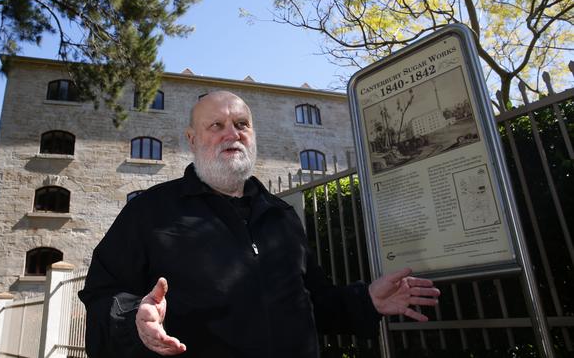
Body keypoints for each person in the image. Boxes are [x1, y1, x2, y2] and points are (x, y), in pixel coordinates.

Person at [78, 91, 440, 357]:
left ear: (253, 136)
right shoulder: (150, 211)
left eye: (241, 124)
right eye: (215, 125)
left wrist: (366, 300)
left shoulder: (282, 215)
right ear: (192, 139)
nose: (231, 134)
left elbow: (313, 303)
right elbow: (101, 293)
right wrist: (134, 322)